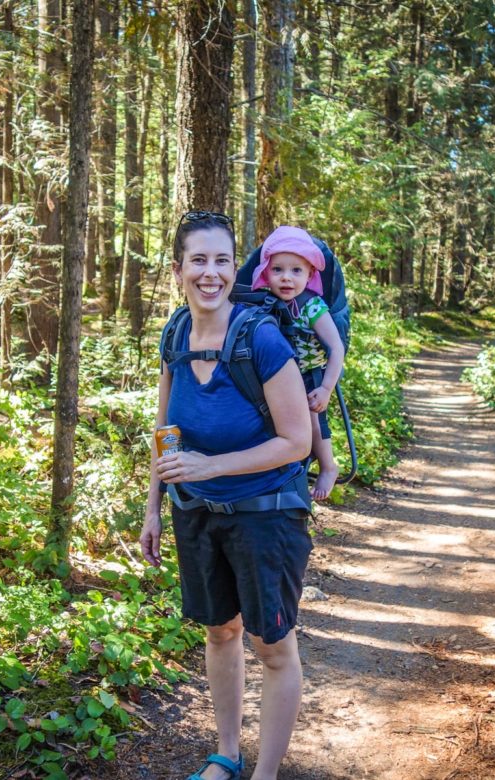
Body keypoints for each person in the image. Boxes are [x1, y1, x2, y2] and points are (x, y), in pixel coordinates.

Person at [140, 210, 313, 780]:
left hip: (266, 516)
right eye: (198, 261)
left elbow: (296, 441)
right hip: (196, 514)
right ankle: (228, 754)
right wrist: (153, 510)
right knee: (220, 631)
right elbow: (165, 432)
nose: (210, 273)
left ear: (233, 268)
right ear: (178, 269)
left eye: (222, 260)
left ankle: (264, 775)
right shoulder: (174, 335)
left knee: (272, 645)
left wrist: (212, 464)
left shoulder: (260, 338)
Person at [251, 225, 346, 500]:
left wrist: (326, 388)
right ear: (266, 272)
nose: (286, 278)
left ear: (310, 274)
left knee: (313, 423)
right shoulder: (261, 304)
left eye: (296, 271)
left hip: (309, 375)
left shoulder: (311, 306)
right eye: (278, 269)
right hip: (276, 377)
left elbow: (336, 347)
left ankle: (328, 466)